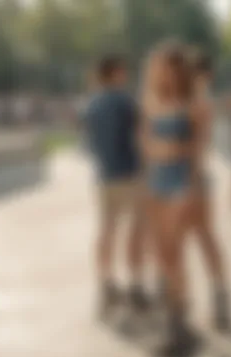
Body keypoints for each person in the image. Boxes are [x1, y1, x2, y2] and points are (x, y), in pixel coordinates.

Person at [140, 42, 204, 357]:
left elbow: (195, 152)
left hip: (179, 184)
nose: (162, 71)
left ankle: (177, 327)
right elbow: (144, 144)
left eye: (167, 65)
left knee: (175, 254)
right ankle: (177, 317)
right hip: (155, 183)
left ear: (178, 69)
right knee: (161, 254)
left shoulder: (190, 103)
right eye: (158, 66)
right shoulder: (150, 101)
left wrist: (192, 191)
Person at [85, 54, 148, 318]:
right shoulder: (126, 102)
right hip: (130, 174)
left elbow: (89, 143)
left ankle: (106, 284)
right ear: (116, 73)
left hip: (104, 176)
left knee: (106, 231)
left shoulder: (92, 105)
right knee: (135, 232)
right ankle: (135, 286)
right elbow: (141, 136)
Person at [187, 49, 231, 331]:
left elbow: (200, 145)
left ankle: (221, 300)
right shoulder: (196, 100)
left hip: (194, 179)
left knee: (204, 238)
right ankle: (218, 299)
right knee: (202, 239)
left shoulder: (200, 102)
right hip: (191, 177)